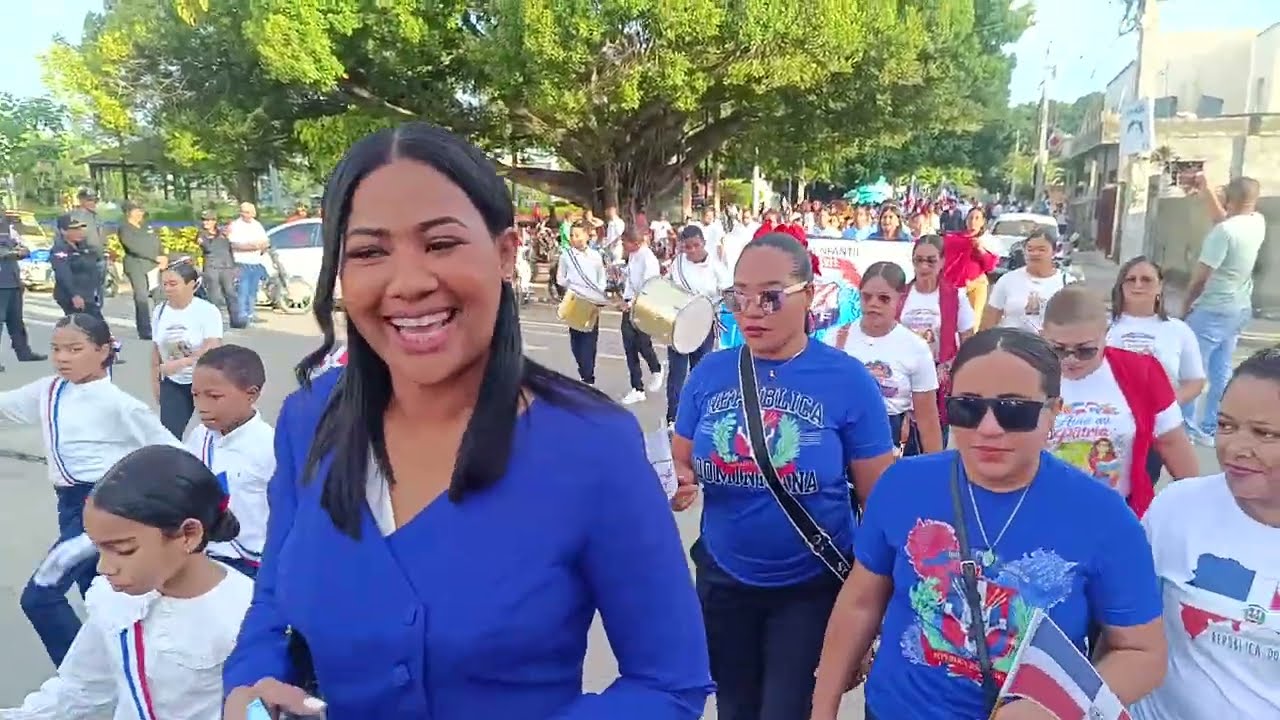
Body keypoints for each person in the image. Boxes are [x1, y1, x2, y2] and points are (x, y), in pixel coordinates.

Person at [221, 122, 713, 719]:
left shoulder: (592, 445)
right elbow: (272, 606)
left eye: (441, 243)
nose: (408, 283)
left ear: (505, 254)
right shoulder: (308, 423)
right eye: (370, 252)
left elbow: (668, 683)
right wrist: (253, 685)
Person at [811, 327, 1169, 720]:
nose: (988, 428)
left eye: (1015, 410)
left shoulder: (1103, 516)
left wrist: (1055, 708)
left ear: (1054, 412)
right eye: (968, 408)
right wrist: (823, 708)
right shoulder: (902, 484)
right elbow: (860, 603)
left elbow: (1142, 652)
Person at [671, 232, 894, 720]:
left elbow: (882, 502)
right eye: (739, 296)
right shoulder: (710, 374)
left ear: (809, 295)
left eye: (770, 296)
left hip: (811, 586)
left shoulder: (847, 380)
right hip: (723, 579)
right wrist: (677, 482)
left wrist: (872, 608)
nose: (751, 310)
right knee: (734, 708)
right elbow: (681, 459)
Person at [0, 445, 253, 720]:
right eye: (99, 549)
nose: (104, 567)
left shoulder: (245, 615)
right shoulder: (111, 598)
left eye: (123, 550)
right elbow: (81, 689)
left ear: (188, 534)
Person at [0, 313, 179, 666]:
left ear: (102, 351)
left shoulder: (118, 403)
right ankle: (124, 672)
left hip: (105, 510)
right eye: (55, 349)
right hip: (68, 507)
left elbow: (172, 453)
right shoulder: (49, 389)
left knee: (40, 595)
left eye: (74, 349)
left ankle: (78, 676)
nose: (62, 358)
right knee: (102, 598)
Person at [1132, 347, 1280, 720]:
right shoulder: (1178, 507)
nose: (1234, 448)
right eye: (1226, 425)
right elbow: (1124, 632)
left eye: (1263, 433)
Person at [1042, 287, 1199, 516]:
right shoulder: (1026, 373)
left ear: (1106, 333)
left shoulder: (1141, 372)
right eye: (1057, 349)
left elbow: (1172, 443)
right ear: (1042, 335)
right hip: (1043, 513)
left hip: (1119, 514)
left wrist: (1198, 508)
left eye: (1085, 350)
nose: (1070, 359)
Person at [1106, 256, 1206, 485]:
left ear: (1160, 286)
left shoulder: (1178, 330)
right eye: (1130, 279)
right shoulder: (1104, 327)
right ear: (1121, 286)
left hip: (1155, 430)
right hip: (1112, 427)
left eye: (1146, 280)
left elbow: (1195, 381)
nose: (1138, 285)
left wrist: (1166, 403)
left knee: (1143, 486)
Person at [1182, 176, 1266, 446]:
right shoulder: (1257, 222)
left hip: (1212, 308)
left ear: (1230, 200)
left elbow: (1201, 277)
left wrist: (1185, 306)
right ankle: (1211, 428)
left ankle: (1187, 429)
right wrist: (1206, 189)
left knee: (1192, 371)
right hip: (1239, 308)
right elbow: (1225, 220)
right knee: (1221, 370)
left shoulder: (1224, 233)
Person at [185, 344, 274, 579]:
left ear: (251, 394)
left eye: (214, 396)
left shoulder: (271, 447)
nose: (201, 407)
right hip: (202, 555)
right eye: (195, 395)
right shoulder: (199, 437)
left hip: (250, 563)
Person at [836, 262, 943, 455]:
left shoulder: (916, 348)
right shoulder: (836, 339)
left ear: (900, 300)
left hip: (890, 449)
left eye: (884, 299)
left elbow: (928, 422)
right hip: (842, 445)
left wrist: (938, 474)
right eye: (866, 297)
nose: (873, 304)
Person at [898, 235, 976, 443]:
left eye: (931, 261)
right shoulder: (900, 295)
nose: (924, 266)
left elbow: (969, 342)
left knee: (933, 445)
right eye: (918, 260)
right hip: (902, 381)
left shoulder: (955, 297)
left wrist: (949, 367)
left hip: (938, 383)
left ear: (942, 261)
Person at [665, 224, 731, 427]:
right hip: (678, 325)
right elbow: (667, 287)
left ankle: (697, 415)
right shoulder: (677, 264)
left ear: (703, 242)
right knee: (676, 373)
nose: (692, 250)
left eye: (696, 245)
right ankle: (672, 417)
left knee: (700, 372)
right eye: (687, 247)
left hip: (704, 326)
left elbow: (729, 294)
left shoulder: (717, 267)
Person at [151, 262, 224, 438]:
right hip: (173, 383)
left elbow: (212, 347)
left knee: (214, 433)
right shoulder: (159, 311)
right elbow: (156, 349)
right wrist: (155, 380)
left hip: (204, 382)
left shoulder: (207, 311)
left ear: (191, 284)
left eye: (173, 284)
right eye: (164, 284)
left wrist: (183, 362)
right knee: (168, 436)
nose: (167, 289)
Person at [981, 230, 1071, 333]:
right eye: (1030, 249)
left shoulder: (1067, 283)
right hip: (1012, 343)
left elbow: (1076, 321)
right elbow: (991, 318)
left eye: (1042, 250)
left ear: (1054, 252)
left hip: (1050, 345)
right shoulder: (1007, 280)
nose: (1035, 254)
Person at [556, 220, 607, 385]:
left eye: (578, 235)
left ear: (587, 235)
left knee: (590, 340)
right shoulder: (566, 256)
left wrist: (598, 294)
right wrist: (571, 282)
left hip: (591, 302)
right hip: (574, 301)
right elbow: (560, 279)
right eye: (571, 235)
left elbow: (602, 279)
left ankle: (588, 377)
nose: (574, 238)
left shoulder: (595, 256)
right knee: (576, 342)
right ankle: (584, 372)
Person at [619, 229, 664, 404]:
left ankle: (656, 368)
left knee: (643, 343)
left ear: (636, 243)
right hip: (630, 303)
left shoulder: (649, 259)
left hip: (644, 305)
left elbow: (648, 287)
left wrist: (631, 304)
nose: (623, 246)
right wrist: (625, 299)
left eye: (625, 243)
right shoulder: (632, 256)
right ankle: (637, 387)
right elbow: (631, 280)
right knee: (629, 345)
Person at [0, 210, 46, 369]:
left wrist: (21, 251)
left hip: (12, 280)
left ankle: (24, 352)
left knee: (16, 321)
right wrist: (13, 253)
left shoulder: (8, 231)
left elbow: (23, 248)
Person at [117, 201, 164, 341]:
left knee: (160, 297)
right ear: (128, 212)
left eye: (141, 210)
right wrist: (154, 257)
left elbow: (157, 242)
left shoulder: (147, 226)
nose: (140, 213)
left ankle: (162, 327)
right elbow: (133, 247)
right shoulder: (124, 228)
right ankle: (145, 331)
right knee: (141, 297)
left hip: (153, 266)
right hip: (136, 266)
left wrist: (163, 256)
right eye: (136, 210)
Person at [942, 207, 997, 316]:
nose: (973, 222)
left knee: (972, 321)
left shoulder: (987, 241)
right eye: (970, 218)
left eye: (977, 218)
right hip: (954, 285)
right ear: (966, 220)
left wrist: (981, 250)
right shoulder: (954, 238)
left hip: (976, 285)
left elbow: (990, 266)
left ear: (982, 222)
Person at [227, 202, 270, 327]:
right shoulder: (235, 226)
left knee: (253, 291)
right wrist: (253, 246)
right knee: (243, 291)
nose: (246, 214)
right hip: (242, 263)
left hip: (256, 262)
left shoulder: (257, 225)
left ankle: (251, 314)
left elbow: (265, 241)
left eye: (249, 212)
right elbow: (233, 245)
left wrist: (260, 246)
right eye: (243, 212)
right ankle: (242, 316)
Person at [197, 210, 239, 323]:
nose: (205, 222)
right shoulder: (201, 234)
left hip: (227, 266)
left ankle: (236, 320)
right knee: (214, 296)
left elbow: (230, 250)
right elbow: (208, 248)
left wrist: (234, 266)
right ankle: (215, 321)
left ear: (214, 221)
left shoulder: (223, 233)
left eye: (208, 220)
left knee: (230, 293)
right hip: (212, 267)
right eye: (204, 220)